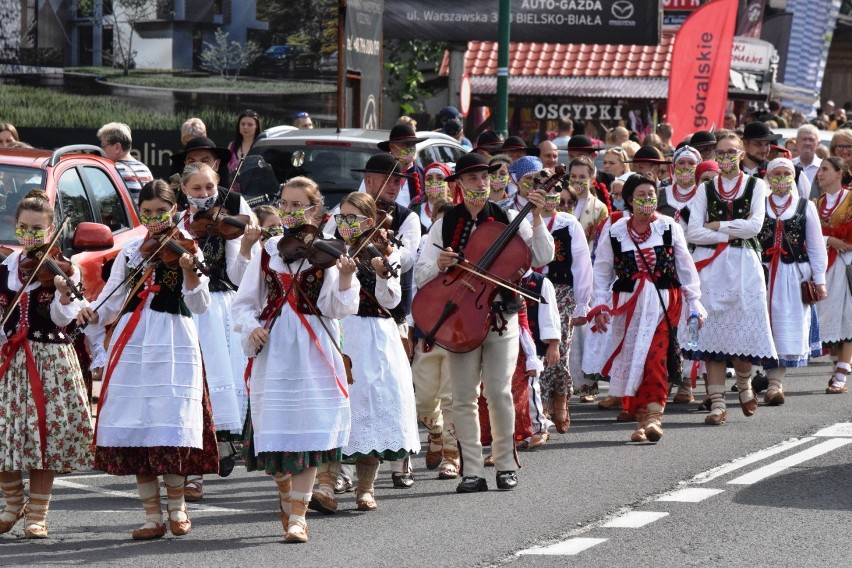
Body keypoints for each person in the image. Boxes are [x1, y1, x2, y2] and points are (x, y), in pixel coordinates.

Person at [78, 180, 218, 540]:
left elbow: (201, 304)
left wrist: (189, 270)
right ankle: (152, 516)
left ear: (174, 210)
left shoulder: (190, 248)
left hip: (174, 339)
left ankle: (178, 508)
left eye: (162, 211)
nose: (155, 218)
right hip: (134, 339)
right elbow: (113, 295)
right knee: (139, 421)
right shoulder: (131, 251)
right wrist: (93, 314)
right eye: (148, 212)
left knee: (169, 420)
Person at [414, 153, 554, 493]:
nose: (481, 183)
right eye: (473, 178)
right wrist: (441, 266)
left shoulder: (508, 217)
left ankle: (505, 464)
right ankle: (472, 470)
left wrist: (535, 218)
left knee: (498, 391)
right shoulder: (444, 224)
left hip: (499, 316)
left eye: (485, 177)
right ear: (459, 184)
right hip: (460, 318)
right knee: (462, 396)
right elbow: (420, 275)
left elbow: (541, 256)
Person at [231, 176, 359, 543]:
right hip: (275, 348)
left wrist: (348, 280)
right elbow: (244, 303)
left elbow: (336, 308)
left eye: (297, 205)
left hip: (312, 347)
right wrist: (250, 328)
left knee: (308, 433)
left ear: (315, 210)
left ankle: (299, 517)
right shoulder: (267, 249)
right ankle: (288, 496)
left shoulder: (330, 253)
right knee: (278, 435)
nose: (289, 212)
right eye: (284, 204)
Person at [312, 192, 420, 513]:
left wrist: (383, 274)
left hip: (375, 335)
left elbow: (391, 301)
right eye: (340, 218)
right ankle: (326, 486)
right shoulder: (329, 248)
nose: (344, 225)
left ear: (369, 222)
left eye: (352, 219)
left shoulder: (388, 252)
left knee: (370, 404)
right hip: (340, 331)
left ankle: (365, 488)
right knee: (337, 404)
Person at [0, 190, 93, 539]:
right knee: (4, 434)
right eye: (24, 228)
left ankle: (37, 513)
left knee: (44, 437)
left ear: (52, 228)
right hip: (10, 359)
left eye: (37, 230)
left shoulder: (65, 269)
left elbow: (61, 318)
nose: (29, 235)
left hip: (49, 360)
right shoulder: (5, 268)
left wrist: (63, 294)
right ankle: (11, 504)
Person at [590, 174, 705, 442]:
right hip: (629, 305)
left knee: (655, 358)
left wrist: (694, 301)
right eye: (641, 195)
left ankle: (654, 415)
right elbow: (603, 271)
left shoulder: (668, 227)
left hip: (664, 301)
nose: (648, 200)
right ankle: (641, 419)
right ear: (629, 199)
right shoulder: (615, 231)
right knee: (634, 360)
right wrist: (599, 305)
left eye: (652, 195)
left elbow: (686, 268)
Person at [177, 163, 261, 500]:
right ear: (184, 189)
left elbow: (242, 277)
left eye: (209, 188)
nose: (204, 195)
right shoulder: (177, 220)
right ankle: (196, 468)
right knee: (194, 384)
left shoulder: (232, 213)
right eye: (196, 189)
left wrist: (244, 246)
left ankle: (224, 441)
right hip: (188, 309)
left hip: (220, 307)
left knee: (219, 380)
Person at [683, 130, 777, 425]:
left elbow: (755, 227)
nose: (725, 158)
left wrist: (718, 225)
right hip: (710, 268)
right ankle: (717, 403)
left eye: (730, 152)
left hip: (744, 267)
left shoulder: (756, 185)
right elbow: (693, 231)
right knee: (711, 336)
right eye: (720, 153)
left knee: (742, 335)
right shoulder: (705, 189)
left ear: (740, 154)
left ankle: (745, 383)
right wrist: (728, 228)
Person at [526, 170, 593, 435]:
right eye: (546, 193)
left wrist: (582, 302)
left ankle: (561, 399)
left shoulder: (568, 223)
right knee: (535, 347)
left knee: (560, 348)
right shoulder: (524, 220)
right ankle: (540, 401)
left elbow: (581, 263)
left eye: (555, 193)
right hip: (531, 290)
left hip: (562, 292)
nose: (551, 198)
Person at [757, 158, 828, 404]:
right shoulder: (759, 204)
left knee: (786, 327)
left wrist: (820, 280)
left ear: (793, 177)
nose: (781, 179)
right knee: (762, 324)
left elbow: (817, 247)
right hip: (762, 274)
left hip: (792, 275)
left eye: (786, 173)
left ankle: (775, 384)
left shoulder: (804, 206)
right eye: (776, 173)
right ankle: (759, 377)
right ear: (768, 177)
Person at [813, 156, 852, 394]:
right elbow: (811, 233)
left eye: (825, 169)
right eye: (819, 170)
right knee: (826, 315)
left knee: (848, 316)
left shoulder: (850, 198)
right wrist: (830, 239)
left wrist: (843, 241)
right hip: (825, 264)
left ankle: (841, 371)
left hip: (847, 264)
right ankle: (839, 362)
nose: (820, 173)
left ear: (840, 173)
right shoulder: (817, 203)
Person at [97, 122, 154, 200]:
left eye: (103, 146)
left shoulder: (114, 170)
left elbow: (102, 201)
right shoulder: (145, 169)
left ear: (117, 147)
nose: (102, 150)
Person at [378, 125, 426, 208]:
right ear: (392, 147)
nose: (411, 149)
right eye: (406, 144)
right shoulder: (377, 174)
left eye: (413, 145)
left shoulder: (423, 176)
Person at [410, 162, 451, 232]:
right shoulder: (415, 208)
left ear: (448, 184)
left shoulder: (456, 209)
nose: (434, 182)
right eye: (429, 179)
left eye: (440, 178)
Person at [227, 109, 262, 178]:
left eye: (250, 125)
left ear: (256, 126)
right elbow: (227, 171)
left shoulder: (261, 146)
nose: (245, 127)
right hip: (233, 187)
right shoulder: (232, 146)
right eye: (243, 124)